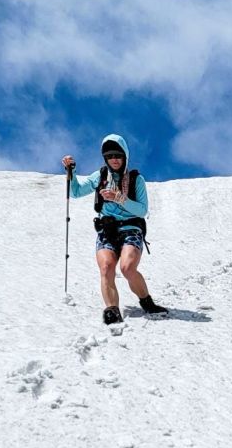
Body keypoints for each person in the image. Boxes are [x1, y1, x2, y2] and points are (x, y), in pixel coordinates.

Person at [62, 134, 168, 325]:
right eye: (110, 156)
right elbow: (76, 191)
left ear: (125, 156)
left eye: (118, 155)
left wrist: (119, 198)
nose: (114, 159)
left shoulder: (136, 180)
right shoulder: (101, 176)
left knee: (127, 268)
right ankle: (112, 310)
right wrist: (72, 172)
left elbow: (142, 210)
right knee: (106, 267)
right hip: (106, 230)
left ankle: (147, 302)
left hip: (131, 228)